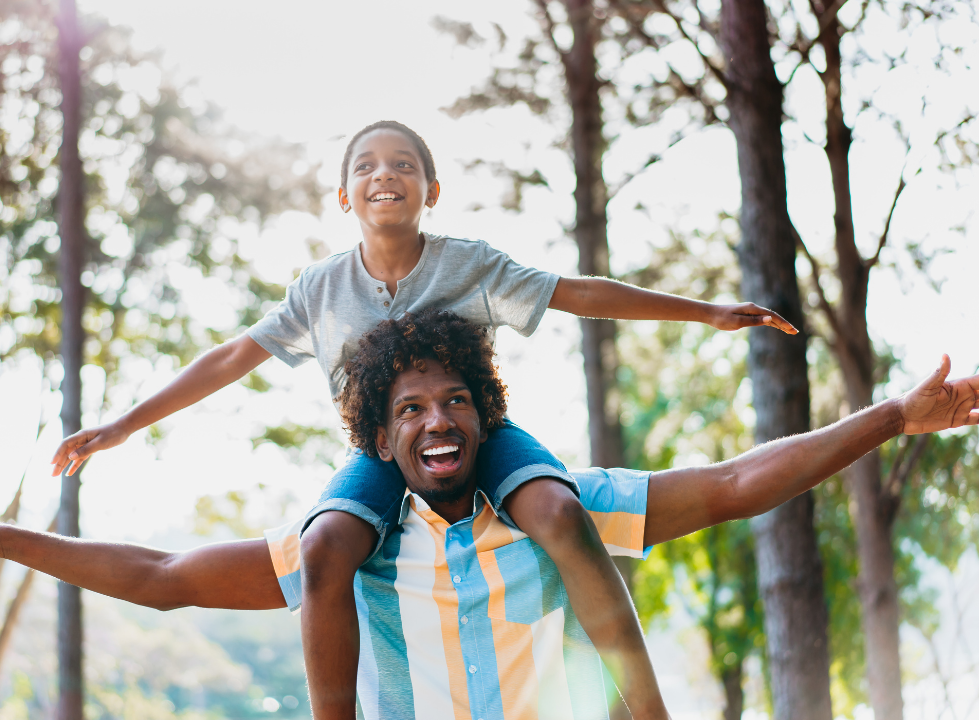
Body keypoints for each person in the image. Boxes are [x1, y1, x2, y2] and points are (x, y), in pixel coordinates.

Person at [45, 120, 797, 717]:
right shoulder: (320, 287)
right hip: (381, 453)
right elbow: (228, 357)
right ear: (345, 197)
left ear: (430, 188)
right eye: (367, 165)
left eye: (403, 163)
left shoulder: (468, 263)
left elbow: (581, 293)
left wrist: (705, 312)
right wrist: (121, 425)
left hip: (482, 440)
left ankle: (651, 711)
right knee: (325, 548)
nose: (385, 174)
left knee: (561, 514)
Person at [0, 309, 978, 720]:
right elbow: (167, 576)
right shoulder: (357, 549)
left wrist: (891, 416)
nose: (435, 421)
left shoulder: (559, 506)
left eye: (455, 400)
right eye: (409, 409)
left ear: (486, 415)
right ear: (379, 439)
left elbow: (740, 482)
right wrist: (3, 538)